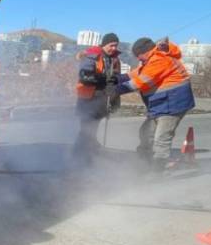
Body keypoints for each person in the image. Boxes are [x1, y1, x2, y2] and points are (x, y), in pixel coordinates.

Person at [116, 37, 195, 173]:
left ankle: (156, 173)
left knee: (161, 139)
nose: (139, 60)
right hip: (161, 104)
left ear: (146, 52)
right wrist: (117, 78)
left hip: (173, 104)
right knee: (146, 133)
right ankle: (143, 163)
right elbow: (137, 73)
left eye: (140, 58)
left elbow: (141, 81)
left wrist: (116, 90)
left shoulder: (160, 59)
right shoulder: (151, 60)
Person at [73, 32, 122, 158]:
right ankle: (79, 157)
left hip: (102, 100)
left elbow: (116, 78)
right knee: (86, 131)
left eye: (116, 45)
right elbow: (85, 77)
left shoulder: (114, 59)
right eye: (111, 45)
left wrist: (115, 98)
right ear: (104, 44)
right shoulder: (91, 56)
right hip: (88, 99)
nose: (114, 48)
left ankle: (88, 155)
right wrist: (105, 78)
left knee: (92, 130)